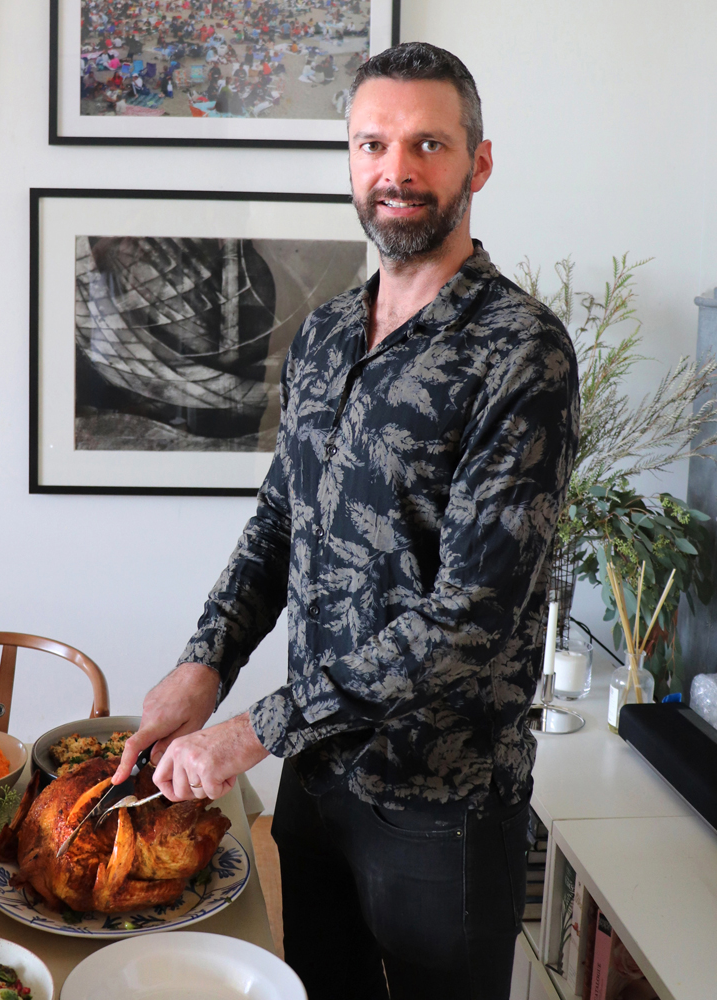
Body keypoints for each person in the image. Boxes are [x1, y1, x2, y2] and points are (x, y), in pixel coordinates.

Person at [115, 41, 580, 1000]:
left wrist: (253, 731)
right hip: (318, 785)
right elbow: (279, 523)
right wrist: (203, 665)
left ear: (479, 163)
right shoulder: (326, 332)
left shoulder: (522, 351)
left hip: (441, 808)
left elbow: (471, 619)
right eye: (373, 145)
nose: (395, 171)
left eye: (427, 144)